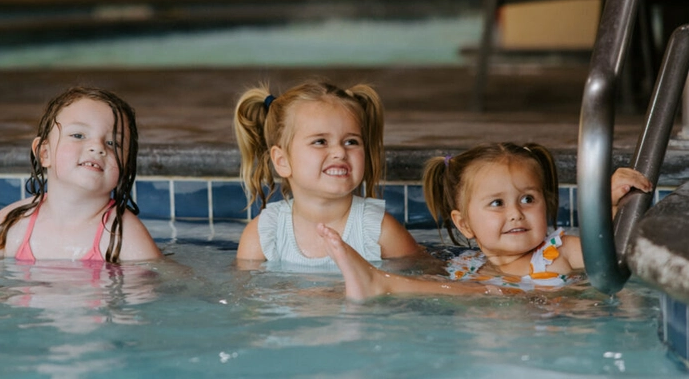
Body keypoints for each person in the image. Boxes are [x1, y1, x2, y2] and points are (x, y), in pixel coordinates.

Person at [317, 142, 653, 300]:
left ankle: (380, 283)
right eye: (497, 203)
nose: (515, 213)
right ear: (464, 225)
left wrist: (609, 206)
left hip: (564, 333)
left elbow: (613, 254)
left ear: (546, 204)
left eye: (528, 199)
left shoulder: (558, 251)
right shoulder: (465, 266)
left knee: (484, 292)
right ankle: (373, 283)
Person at [234, 80, 423, 268]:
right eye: (320, 141)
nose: (340, 152)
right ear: (282, 161)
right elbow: (243, 295)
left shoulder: (379, 231)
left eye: (351, 142)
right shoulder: (263, 235)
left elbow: (422, 281)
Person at [0, 86, 163, 263]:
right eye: (78, 135)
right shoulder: (7, 227)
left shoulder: (125, 237)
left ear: (126, 166)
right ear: (44, 153)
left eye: (113, 143)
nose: (98, 147)